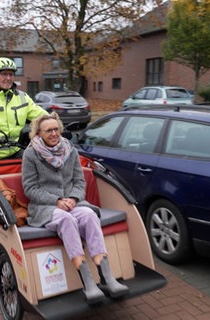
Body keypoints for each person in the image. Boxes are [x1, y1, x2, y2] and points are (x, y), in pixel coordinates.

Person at [21, 113, 129, 304]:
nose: (54, 133)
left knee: (88, 214)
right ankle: (87, 281)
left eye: (56, 129)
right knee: (66, 219)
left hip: (73, 202)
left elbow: (79, 181)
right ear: (38, 133)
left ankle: (106, 277)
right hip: (46, 207)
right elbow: (30, 188)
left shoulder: (69, 149)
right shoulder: (31, 154)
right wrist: (56, 201)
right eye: (49, 130)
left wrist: (72, 198)